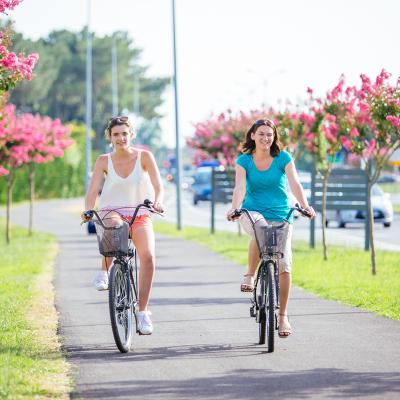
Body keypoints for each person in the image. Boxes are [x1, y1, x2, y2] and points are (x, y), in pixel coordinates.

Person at [227, 118, 315, 338]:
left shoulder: (283, 158)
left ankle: (283, 316)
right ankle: (250, 274)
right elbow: (240, 187)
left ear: (274, 137)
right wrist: (234, 208)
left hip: (281, 214)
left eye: (270, 134)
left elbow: (295, 183)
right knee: (261, 228)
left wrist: (305, 206)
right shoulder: (244, 160)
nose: (266, 138)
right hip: (253, 211)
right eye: (262, 134)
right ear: (253, 136)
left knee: (285, 265)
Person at [82, 116, 164, 335]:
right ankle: (104, 270)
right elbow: (92, 191)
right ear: (110, 136)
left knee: (148, 257)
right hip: (112, 210)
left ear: (132, 135)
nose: (120, 138)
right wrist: (89, 209)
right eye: (116, 134)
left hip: (139, 211)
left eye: (124, 133)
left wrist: (158, 201)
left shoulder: (145, 157)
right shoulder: (103, 160)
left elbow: (158, 186)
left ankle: (143, 312)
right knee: (116, 230)